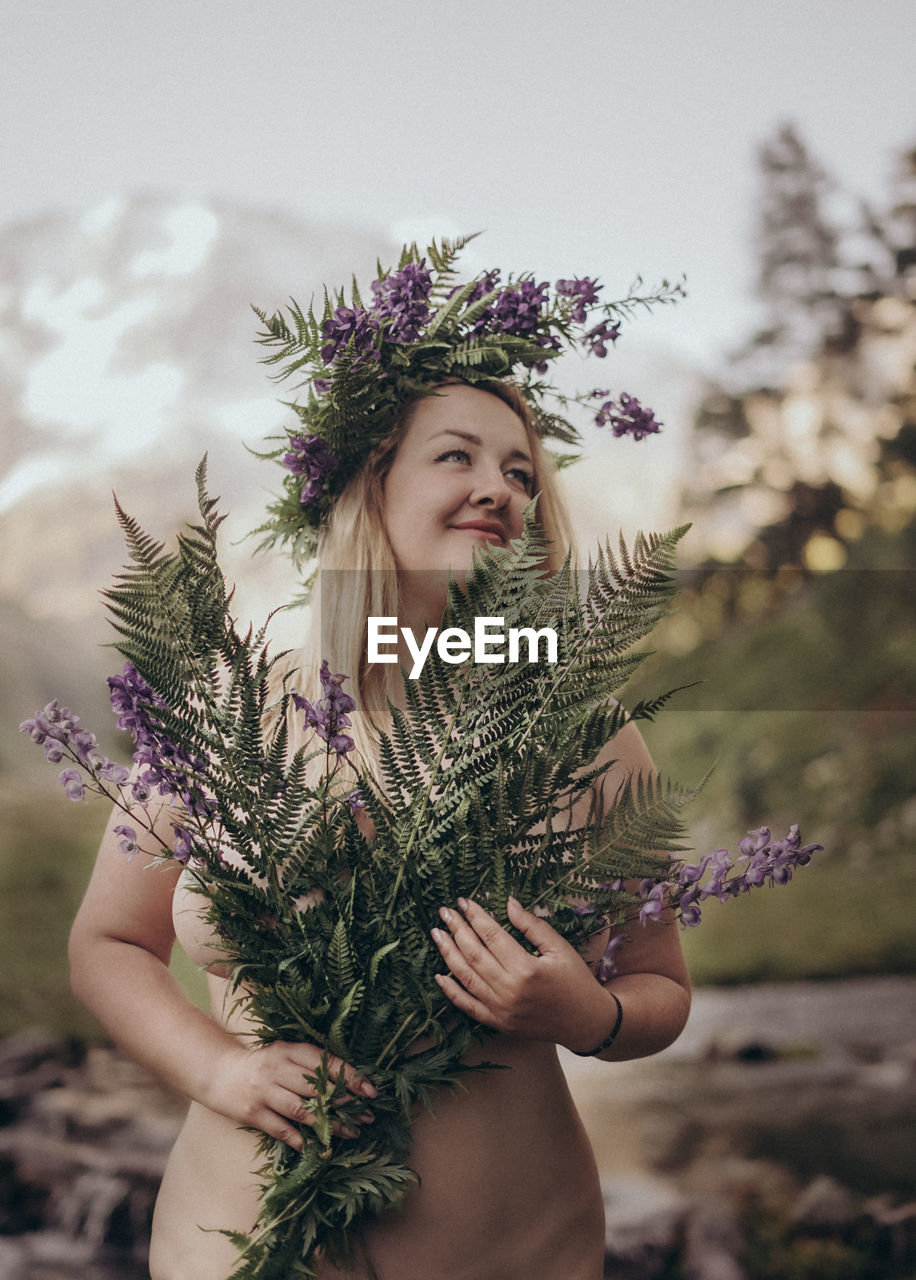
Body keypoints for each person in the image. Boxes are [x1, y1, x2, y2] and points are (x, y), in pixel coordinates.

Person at [68, 252, 691, 1280]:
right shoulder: (228, 700)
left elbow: (661, 980)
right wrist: (223, 1069)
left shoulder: (580, 723)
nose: (499, 486)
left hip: (519, 1252)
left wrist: (591, 1012)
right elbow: (108, 940)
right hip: (235, 1250)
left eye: (522, 472)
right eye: (458, 456)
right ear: (372, 477)